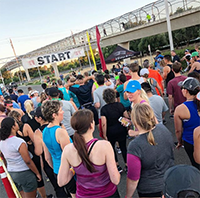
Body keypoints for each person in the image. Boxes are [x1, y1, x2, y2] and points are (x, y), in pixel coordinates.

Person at [58, 109, 120, 198]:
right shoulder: (104, 146)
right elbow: (115, 180)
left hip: (83, 195)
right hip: (107, 194)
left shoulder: (68, 150)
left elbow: (61, 182)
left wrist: (74, 169)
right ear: (91, 125)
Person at [125, 103, 174, 198]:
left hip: (149, 189)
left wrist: (128, 195)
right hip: (169, 181)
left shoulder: (135, 146)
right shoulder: (163, 129)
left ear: (134, 121)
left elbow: (133, 179)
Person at [42, 100, 76, 198]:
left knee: (69, 192)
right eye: (61, 110)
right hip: (69, 171)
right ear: (54, 115)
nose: (63, 112)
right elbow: (70, 155)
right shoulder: (60, 132)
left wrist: (57, 169)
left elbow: (47, 157)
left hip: (57, 170)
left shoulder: (44, 131)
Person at [0, 117, 41, 198]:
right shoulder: (19, 142)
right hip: (24, 172)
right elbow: (27, 160)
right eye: (15, 123)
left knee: (22, 195)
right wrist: (37, 173)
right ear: (13, 127)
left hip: (12, 172)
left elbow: (4, 158)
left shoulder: (2, 142)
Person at [34, 107, 67, 198]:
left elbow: (38, 151)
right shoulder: (58, 127)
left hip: (49, 163)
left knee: (58, 187)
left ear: (40, 118)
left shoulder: (39, 132)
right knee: (70, 186)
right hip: (63, 161)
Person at [174, 77, 200, 170]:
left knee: (196, 166)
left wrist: (180, 141)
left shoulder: (180, 109)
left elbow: (178, 130)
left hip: (190, 141)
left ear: (185, 91)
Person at [101, 88, 129, 172]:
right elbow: (126, 117)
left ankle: (117, 165)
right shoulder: (120, 105)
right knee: (123, 147)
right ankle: (127, 165)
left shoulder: (104, 109)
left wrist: (104, 134)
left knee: (112, 149)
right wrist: (128, 127)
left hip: (110, 131)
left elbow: (103, 123)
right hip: (121, 129)